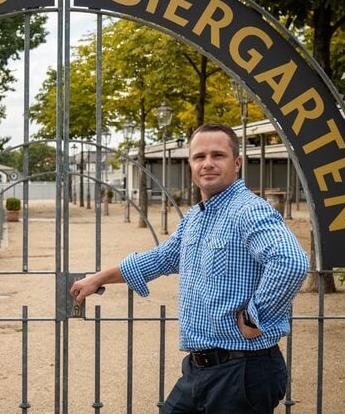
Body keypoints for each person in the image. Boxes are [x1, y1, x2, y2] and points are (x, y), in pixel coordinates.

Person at [70, 123, 309, 414]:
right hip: (199, 370)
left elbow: (290, 261)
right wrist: (98, 278)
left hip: (243, 369)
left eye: (217, 155)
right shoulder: (196, 216)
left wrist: (256, 315)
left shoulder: (249, 210)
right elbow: (162, 258)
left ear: (236, 163)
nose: (207, 163)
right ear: (191, 165)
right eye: (199, 157)